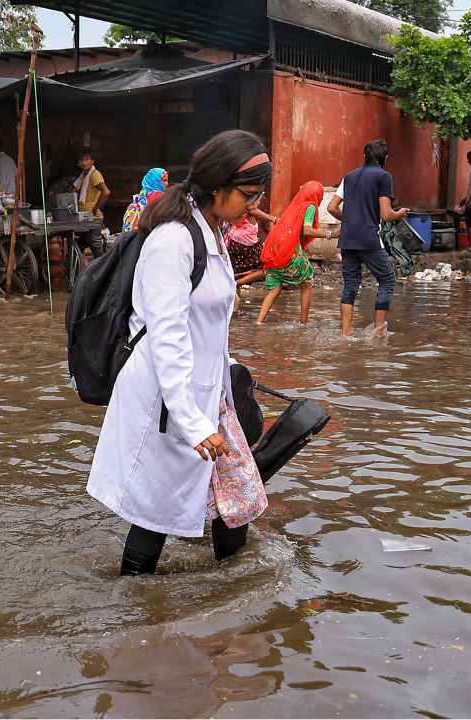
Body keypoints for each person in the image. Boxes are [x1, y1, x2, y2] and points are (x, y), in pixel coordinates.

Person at [88, 129, 271, 576]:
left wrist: (230, 377)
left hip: (208, 391)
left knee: (236, 498)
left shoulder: (212, 230)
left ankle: (234, 592)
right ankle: (136, 603)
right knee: (156, 511)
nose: (254, 204)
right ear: (217, 186)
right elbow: (167, 335)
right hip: (169, 397)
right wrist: (190, 421)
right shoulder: (173, 240)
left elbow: (206, 324)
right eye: (248, 194)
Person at [328, 139, 407, 337]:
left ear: (364, 156)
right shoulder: (383, 176)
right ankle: (378, 332)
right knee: (387, 279)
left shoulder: (349, 176)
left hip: (347, 239)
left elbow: (331, 207)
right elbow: (386, 214)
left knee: (350, 284)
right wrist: (400, 213)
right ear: (384, 158)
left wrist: (349, 221)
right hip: (369, 238)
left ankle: (345, 334)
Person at [257, 181, 335, 325]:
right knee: (307, 282)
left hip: (276, 251)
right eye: (321, 195)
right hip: (289, 252)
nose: (322, 198)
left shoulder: (295, 205)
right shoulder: (310, 206)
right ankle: (303, 323)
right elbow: (307, 230)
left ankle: (259, 322)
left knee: (275, 288)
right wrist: (330, 234)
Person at [226, 206, 275, 288]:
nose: (258, 203)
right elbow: (250, 208)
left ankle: (238, 282)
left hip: (234, 245)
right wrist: (273, 218)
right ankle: (239, 282)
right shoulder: (248, 211)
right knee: (268, 270)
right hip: (245, 247)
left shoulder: (233, 213)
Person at [75, 150, 111, 258]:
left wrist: (95, 209)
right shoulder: (83, 176)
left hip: (93, 216)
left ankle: (103, 269)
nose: (84, 162)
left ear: (92, 161)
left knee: (95, 245)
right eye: (82, 160)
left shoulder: (95, 175)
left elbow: (106, 192)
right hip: (84, 216)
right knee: (80, 243)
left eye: (87, 159)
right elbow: (74, 190)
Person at [122, 167, 168, 233]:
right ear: (154, 182)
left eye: (167, 181)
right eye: (164, 180)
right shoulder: (136, 208)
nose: (167, 184)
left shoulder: (165, 203)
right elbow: (130, 232)